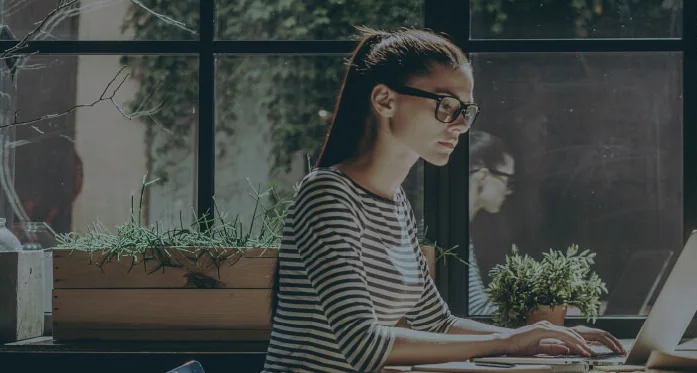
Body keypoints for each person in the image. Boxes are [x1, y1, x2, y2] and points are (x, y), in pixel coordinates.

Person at [264, 27, 625, 372]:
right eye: (446, 105)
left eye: (465, 111)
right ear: (384, 100)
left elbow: (437, 322)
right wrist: (509, 342)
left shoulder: (396, 204)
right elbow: (364, 344)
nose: (459, 125)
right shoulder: (326, 194)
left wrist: (542, 337)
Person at [463, 130, 515, 315]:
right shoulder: (452, 234)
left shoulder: (458, 229)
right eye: (507, 180)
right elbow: (475, 311)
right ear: (484, 176)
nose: (508, 191)